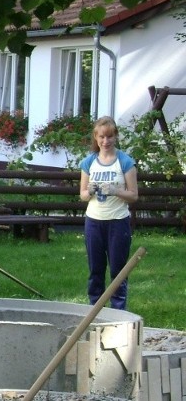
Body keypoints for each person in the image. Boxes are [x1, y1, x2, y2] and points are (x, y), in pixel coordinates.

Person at [79, 116, 138, 310]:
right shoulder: (88, 162)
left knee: (118, 271)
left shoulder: (125, 162)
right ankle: (94, 309)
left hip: (118, 222)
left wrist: (115, 190)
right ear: (96, 138)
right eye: (102, 137)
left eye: (110, 137)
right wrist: (92, 190)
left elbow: (133, 196)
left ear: (116, 137)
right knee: (95, 270)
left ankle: (118, 311)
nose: (106, 141)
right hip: (94, 222)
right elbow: (83, 195)